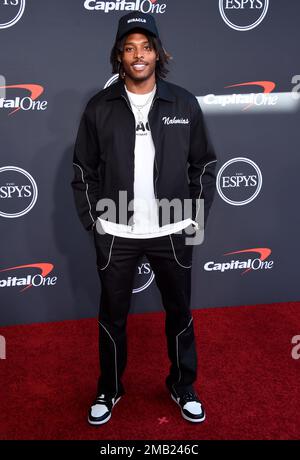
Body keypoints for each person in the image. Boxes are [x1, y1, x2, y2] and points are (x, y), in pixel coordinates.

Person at [71, 10, 217, 426]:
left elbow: (204, 165)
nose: (138, 55)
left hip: (171, 228)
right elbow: (83, 171)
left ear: (158, 53)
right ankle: (109, 388)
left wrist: (194, 216)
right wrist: (95, 221)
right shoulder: (100, 107)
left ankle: (182, 385)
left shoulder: (183, 102)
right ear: (119, 55)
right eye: (129, 47)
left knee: (179, 313)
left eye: (146, 47)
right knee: (112, 317)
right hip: (116, 230)